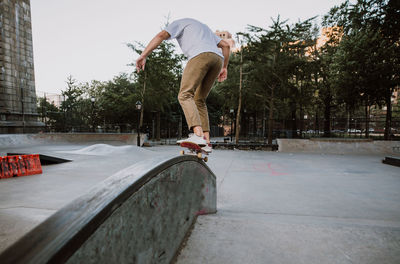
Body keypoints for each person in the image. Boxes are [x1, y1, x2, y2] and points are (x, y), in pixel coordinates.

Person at [136, 18, 230, 153]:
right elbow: (226, 46)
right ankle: (206, 141)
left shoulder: (178, 23)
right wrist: (225, 67)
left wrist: (143, 55)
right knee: (199, 100)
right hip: (218, 59)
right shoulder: (205, 28)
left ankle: (198, 135)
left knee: (185, 95)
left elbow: (160, 36)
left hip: (200, 55)